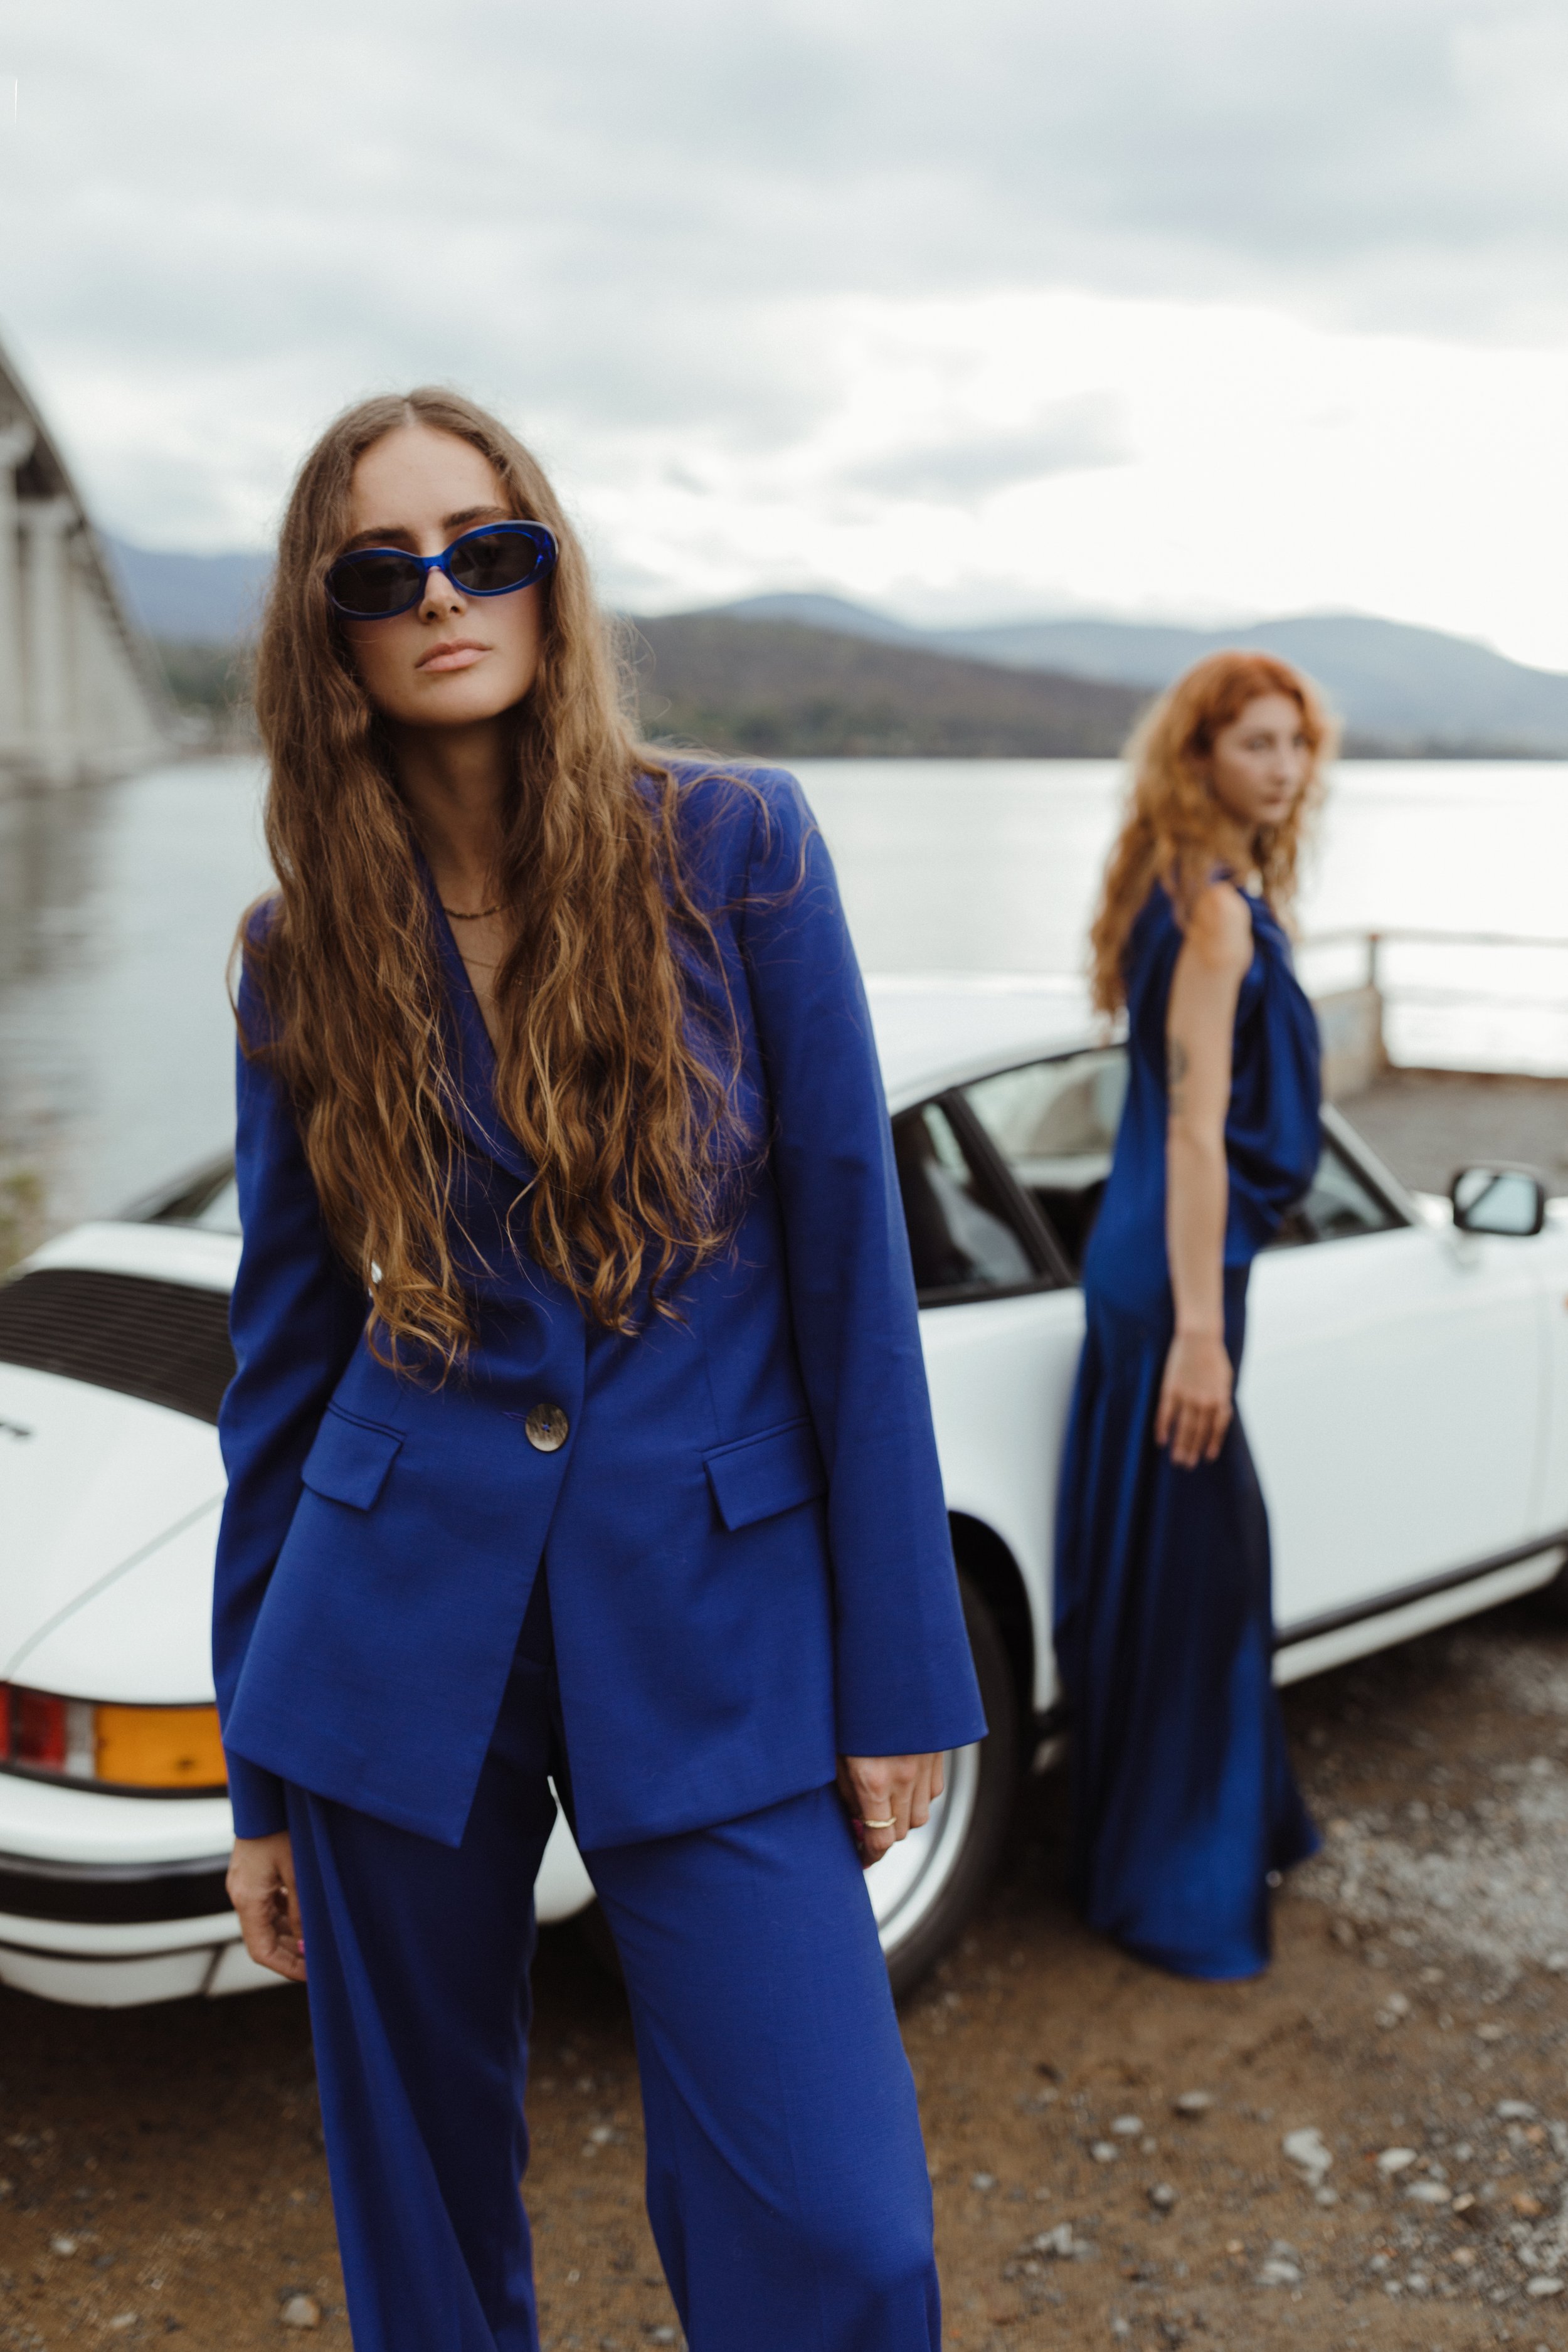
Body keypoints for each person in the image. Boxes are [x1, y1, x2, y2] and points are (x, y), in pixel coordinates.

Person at [213, 386, 984, 2352]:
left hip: (715, 1616)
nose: (443, 595)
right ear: (332, 633)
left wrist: (895, 1670)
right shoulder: (297, 952)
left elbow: (851, 1276)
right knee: (425, 2250)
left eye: (487, 547)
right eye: (383, 571)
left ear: (551, 569)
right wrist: (258, 1775)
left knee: (843, 2234)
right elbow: (283, 1362)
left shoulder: (736, 849)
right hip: (388, 1648)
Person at [1054, 651, 1333, 1981]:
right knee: (1201, 1581)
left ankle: (1176, 1838)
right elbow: (1189, 1128)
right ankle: (1171, 1886)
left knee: (1166, 1569)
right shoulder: (1211, 912)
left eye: (1294, 745)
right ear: (1200, 757)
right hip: (1178, 1273)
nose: (1281, 768)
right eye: (1254, 744)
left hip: (1149, 1260)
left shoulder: (1183, 891)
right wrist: (1200, 1334)